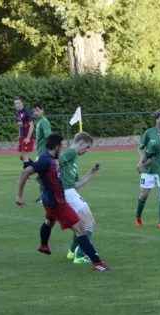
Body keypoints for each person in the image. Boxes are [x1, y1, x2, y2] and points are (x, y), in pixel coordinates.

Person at [16, 134, 111, 271]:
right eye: (60, 147)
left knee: (49, 222)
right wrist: (19, 196)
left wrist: (91, 172)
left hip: (52, 200)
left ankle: (45, 245)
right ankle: (95, 262)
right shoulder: (50, 159)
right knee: (82, 228)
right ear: (56, 147)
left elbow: (72, 183)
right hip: (59, 202)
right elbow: (27, 172)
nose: (62, 151)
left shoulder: (52, 160)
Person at [58, 132, 100, 264]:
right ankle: (80, 255)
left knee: (80, 223)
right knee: (90, 222)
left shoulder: (74, 159)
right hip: (66, 193)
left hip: (70, 191)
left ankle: (72, 252)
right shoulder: (71, 152)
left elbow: (77, 184)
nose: (87, 151)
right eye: (87, 147)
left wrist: (91, 172)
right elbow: (55, 163)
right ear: (80, 143)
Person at [135, 109, 160, 228]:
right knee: (144, 194)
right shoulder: (149, 132)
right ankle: (138, 216)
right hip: (148, 169)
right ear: (156, 119)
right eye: (159, 117)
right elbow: (140, 148)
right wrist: (143, 159)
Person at [32, 101, 51, 203]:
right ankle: (44, 195)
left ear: (42, 110)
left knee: (39, 176)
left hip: (43, 153)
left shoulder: (44, 122)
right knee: (40, 176)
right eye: (34, 110)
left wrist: (48, 152)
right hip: (40, 152)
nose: (36, 112)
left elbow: (48, 137)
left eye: (38, 110)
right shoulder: (39, 122)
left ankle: (47, 194)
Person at [14, 96, 34, 172]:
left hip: (28, 137)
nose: (17, 105)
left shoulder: (26, 112)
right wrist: (19, 135)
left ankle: (26, 173)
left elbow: (32, 126)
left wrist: (28, 137)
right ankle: (36, 166)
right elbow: (19, 125)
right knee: (21, 157)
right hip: (22, 137)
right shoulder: (17, 113)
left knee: (24, 156)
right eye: (15, 103)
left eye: (19, 103)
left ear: (22, 103)